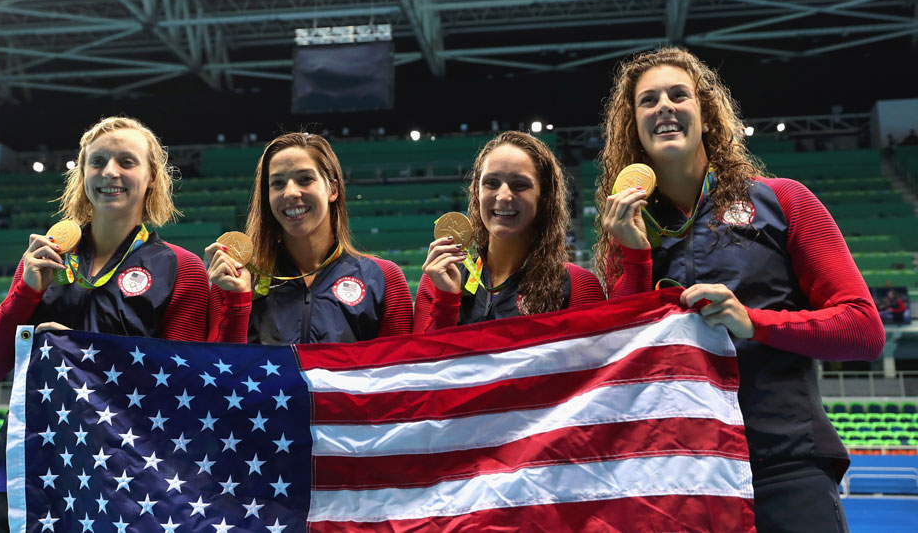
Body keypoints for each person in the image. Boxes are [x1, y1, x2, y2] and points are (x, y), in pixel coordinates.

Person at [595, 46, 884, 531]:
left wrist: (755, 322)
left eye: (678, 94)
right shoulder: (624, 230)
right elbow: (624, 363)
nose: (663, 105)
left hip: (784, 464)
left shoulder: (783, 201)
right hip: (681, 475)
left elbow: (863, 329)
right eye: (648, 101)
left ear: (705, 115)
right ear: (635, 129)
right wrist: (635, 256)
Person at [0, 116, 209, 533]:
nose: (110, 172)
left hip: (127, 466)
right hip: (27, 456)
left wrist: (80, 351)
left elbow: (180, 388)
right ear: (82, 174)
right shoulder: (44, 256)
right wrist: (26, 292)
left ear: (152, 178)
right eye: (97, 162)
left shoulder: (181, 268)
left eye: (127, 161)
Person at [206, 132, 412, 344]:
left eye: (305, 179)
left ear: (333, 190)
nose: (290, 193)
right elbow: (221, 371)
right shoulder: (236, 280)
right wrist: (237, 301)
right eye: (277, 183)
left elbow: (399, 371)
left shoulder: (383, 278)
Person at [413, 131, 605, 332]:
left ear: (544, 196)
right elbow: (421, 362)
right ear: (477, 192)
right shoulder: (439, 279)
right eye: (491, 183)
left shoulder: (578, 286)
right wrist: (446, 301)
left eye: (519, 185)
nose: (503, 196)